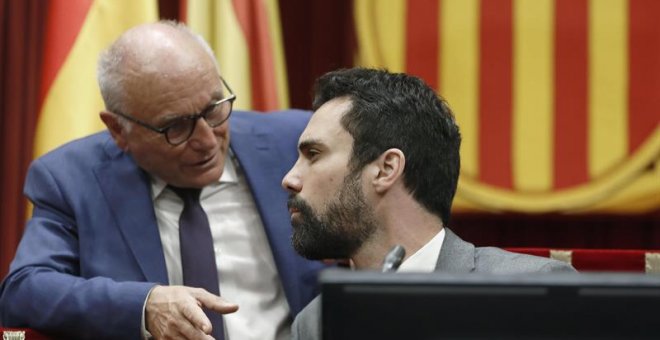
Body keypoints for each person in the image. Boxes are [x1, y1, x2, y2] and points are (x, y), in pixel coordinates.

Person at [0, 21, 323, 340]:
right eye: (177, 127)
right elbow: (24, 290)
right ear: (118, 130)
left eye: (213, 109)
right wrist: (143, 305)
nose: (208, 140)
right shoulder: (72, 179)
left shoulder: (296, 142)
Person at [281, 68, 576, 339]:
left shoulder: (532, 292)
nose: (290, 179)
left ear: (386, 169)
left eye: (313, 154)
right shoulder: (314, 323)